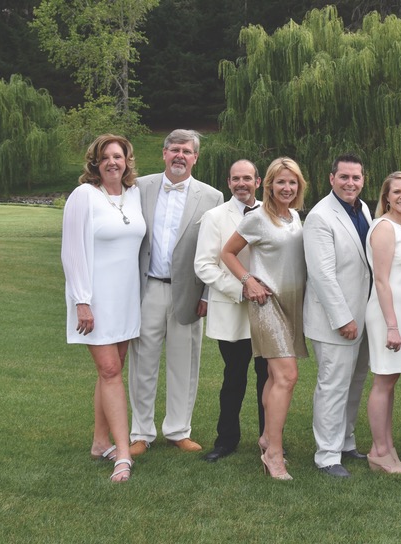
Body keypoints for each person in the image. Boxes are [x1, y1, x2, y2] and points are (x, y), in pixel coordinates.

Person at [128, 129, 223, 456]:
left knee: (185, 363)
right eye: (174, 150)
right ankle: (141, 432)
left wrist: (208, 295)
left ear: (196, 157)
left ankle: (179, 430)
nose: (180, 155)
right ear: (164, 153)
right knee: (143, 362)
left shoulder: (212, 197)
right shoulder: (140, 188)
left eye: (187, 150)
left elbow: (216, 250)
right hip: (149, 288)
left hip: (189, 293)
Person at [62, 134, 146, 482]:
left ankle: (100, 442)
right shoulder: (84, 195)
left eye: (119, 156)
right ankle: (122, 453)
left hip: (126, 299)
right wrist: (82, 300)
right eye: (106, 157)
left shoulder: (134, 195)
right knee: (111, 370)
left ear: (128, 161)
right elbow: (72, 251)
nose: (113, 162)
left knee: (111, 371)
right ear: (95, 162)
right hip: (94, 299)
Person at [221, 157, 309, 480]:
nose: (287, 188)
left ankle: (266, 438)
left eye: (292, 182)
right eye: (280, 182)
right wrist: (248, 281)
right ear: (268, 184)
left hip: (293, 304)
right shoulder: (257, 218)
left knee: (275, 378)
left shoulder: (295, 217)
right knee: (287, 376)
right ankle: (274, 453)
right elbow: (227, 253)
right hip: (267, 304)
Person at [193, 160, 268, 463]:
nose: (242, 184)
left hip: (268, 309)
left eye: (247, 178)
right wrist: (241, 287)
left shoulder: (271, 211)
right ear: (228, 183)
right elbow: (204, 265)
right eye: (236, 179)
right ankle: (226, 440)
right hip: (233, 308)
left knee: (268, 378)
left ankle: (270, 439)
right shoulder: (214, 217)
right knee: (233, 377)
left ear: (258, 182)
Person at [303, 153, 372, 478]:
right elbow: (322, 275)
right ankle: (327, 455)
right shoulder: (320, 217)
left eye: (356, 178)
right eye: (344, 177)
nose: (350, 183)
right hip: (335, 320)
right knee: (332, 386)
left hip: (363, 315)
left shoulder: (363, 209)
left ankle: (345, 441)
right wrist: (343, 318)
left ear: (363, 180)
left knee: (354, 382)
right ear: (331, 179)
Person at [363, 172, 401, 474]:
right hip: (387, 315)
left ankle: (384, 447)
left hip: (400, 315)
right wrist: (391, 324)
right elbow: (381, 280)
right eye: (396, 192)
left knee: (390, 381)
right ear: (385, 197)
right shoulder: (385, 228)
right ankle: (379, 450)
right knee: (383, 381)